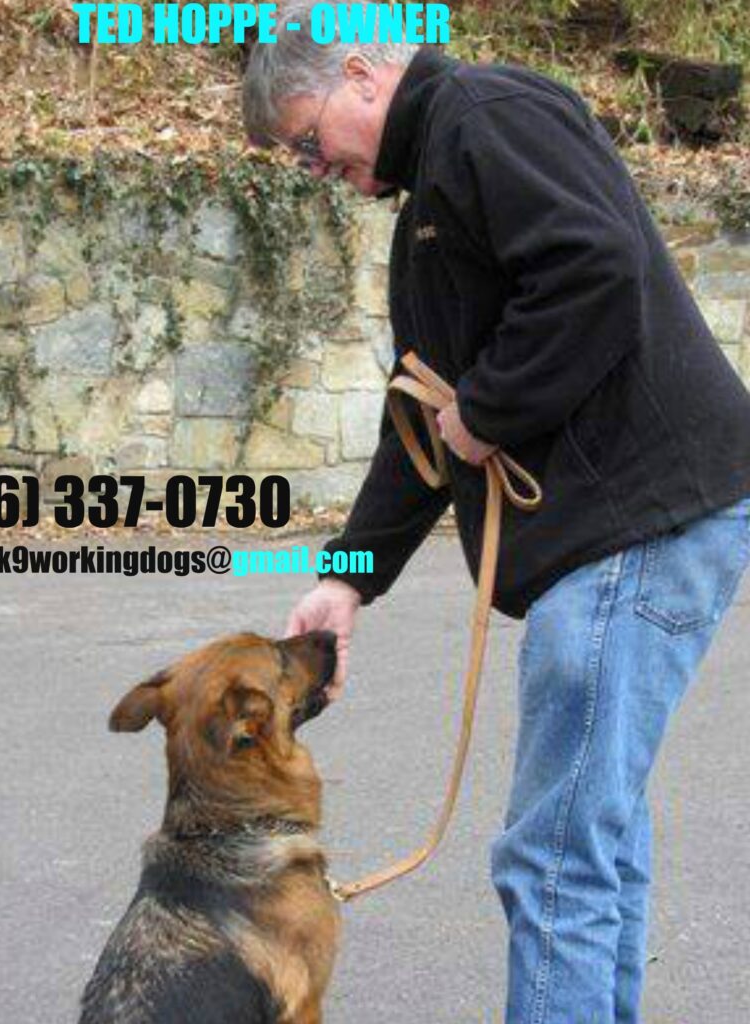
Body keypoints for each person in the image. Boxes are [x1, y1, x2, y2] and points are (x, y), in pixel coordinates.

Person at [242, 4, 750, 1023]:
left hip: (634, 528)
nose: (315, 168)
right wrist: (347, 577)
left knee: (553, 852)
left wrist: (488, 408)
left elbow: (592, 271)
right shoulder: (434, 191)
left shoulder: (483, 114)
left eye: (307, 141)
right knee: (591, 840)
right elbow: (424, 418)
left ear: (359, 74)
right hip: (625, 531)